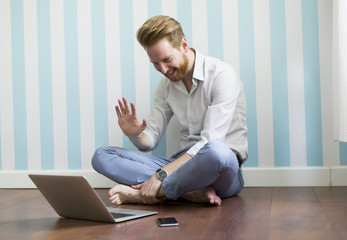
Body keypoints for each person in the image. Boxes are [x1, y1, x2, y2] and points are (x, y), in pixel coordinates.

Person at [92, 15, 248, 206]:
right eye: (155, 64)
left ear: (184, 44)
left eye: (167, 60)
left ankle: (146, 194)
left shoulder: (222, 75)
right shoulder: (166, 86)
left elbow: (211, 142)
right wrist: (135, 135)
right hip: (179, 166)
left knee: (217, 152)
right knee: (102, 156)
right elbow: (150, 139)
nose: (163, 69)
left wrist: (161, 174)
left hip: (219, 169)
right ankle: (187, 193)